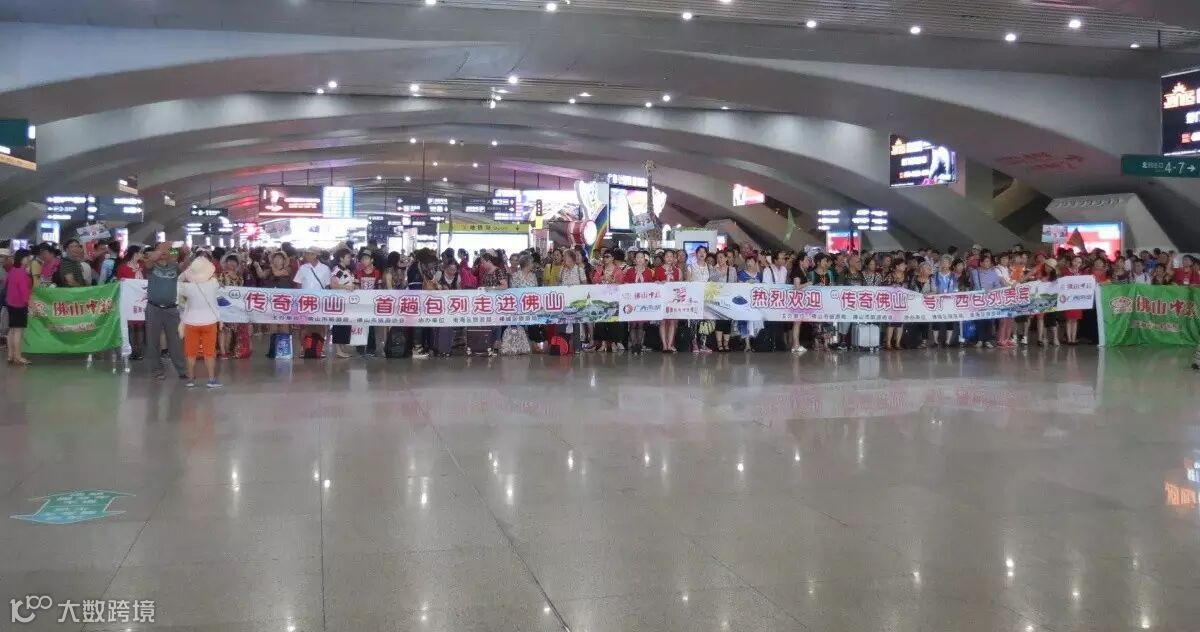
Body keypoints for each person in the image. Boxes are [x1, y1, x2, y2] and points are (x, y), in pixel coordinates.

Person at [144, 242, 189, 380]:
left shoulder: (174, 267)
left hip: (171, 309)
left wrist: (186, 252)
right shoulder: (151, 265)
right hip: (153, 308)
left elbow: (186, 265)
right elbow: (149, 262)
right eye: (160, 249)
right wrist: (160, 251)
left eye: (167, 250)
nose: (164, 252)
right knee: (153, 341)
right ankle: (157, 370)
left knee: (175, 341)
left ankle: (182, 370)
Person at [178, 255, 222, 388]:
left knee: (190, 353)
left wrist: (188, 272)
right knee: (209, 352)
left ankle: (190, 380)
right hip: (209, 322)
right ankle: (211, 380)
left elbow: (179, 280)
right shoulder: (213, 284)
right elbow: (216, 281)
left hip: (191, 323)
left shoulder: (187, 287)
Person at [294, 246, 333, 358]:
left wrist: (326, 301)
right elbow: (298, 284)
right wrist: (297, 299)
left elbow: (327, 286)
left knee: (320, 325)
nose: (306, 255)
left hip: (320, 301)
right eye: (306, 253)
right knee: (304, 326)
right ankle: (303, 348)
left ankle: (320, 348)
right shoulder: (302, 268)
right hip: (305, 301)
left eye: (309, 253)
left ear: (316, 255)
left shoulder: (325, 268)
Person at [970, 252, 1004, 348]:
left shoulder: (993, 273)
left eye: (989, 261)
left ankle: (988, 340)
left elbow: (997, 286)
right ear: (981, 263)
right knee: (980, 319)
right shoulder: (975, 272)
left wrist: (992, 291)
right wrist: (981, 292)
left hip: (990, 299)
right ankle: (980, 340)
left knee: (989, 319)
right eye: (985, 261)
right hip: (979, 298)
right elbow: (974, 285)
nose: (987, 263)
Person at [5, 249, 32, 365]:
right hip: (19, 305)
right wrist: (31, 305)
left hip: (10, 304)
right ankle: (18, 357)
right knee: (18, 332)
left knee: (12, 330)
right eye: (28, 258)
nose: (29, 260)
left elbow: (6, 286)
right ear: (23, 259)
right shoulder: (22, 273)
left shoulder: (12, 271)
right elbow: (24, 292)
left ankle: (10, 355)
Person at [354, 252, 384, 356]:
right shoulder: (358, 273)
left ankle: (371, 348)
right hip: (361, 303)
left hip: (372, 303)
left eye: (366, 258)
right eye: (362, 259)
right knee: (360, 324)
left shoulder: (377, 272)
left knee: (371, 326)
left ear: (372, 260)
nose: (364, 261)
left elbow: (379, 288)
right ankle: (360, 347)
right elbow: (356, 287)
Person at [329, 248, 357, 359]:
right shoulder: (337, 270)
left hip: (347, 302)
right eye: (348, 257)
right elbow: (333, 285)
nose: (350, 259)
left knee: (345, 325)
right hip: (339, 302)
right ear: (341, 258)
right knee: (338, 325)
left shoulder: (347, 270)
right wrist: (346, 287)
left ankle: (342, 348)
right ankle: (338, 350)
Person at [655, 249, 683, 352]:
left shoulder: (678, 270)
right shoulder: (658, 269)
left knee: (672, 321)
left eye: (671, 256)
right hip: (661, 298)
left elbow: (681, 285)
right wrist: (658, 282)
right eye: (667, 256)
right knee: (662, 321)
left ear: (674, 258)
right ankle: (664, 345)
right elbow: (654, 283)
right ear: (664, 257)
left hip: (673, 299)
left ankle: (670, 344)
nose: (669, 258)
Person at [709, 250, 738, 352]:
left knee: (728, 321)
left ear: (726, 258)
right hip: (718, 299)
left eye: (721, 257)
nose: (719, 259)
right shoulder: (714, 269)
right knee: (719, 321)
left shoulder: (732, 270)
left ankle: (726, 344)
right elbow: (711, 281)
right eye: (718, 258)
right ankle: (719, 344)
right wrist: (719, 273)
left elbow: (735, 283)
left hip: (729, 299)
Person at [688, 246, 714, 354]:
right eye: (700, 251)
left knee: (705, 321)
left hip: (706, 298)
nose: (702, 253)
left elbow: (712, 282)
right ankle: (694, 343)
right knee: (694, 321)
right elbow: (688, 281)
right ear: (696, 253)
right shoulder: (691, 266)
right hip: (694, 297)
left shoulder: (710, 267)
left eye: (704, 252)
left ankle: (703, 344)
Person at [217, 255, 243, 359]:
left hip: (234, 306)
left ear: (237, 264)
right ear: (226, 263)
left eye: (234, 262)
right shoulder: (222, 275)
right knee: (222, 328)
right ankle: (223, 351)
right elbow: (218, 289)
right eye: (229, 261)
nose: (232, 263)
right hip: (222, 305)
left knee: (230, 329)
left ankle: (227, 350)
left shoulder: (240, 278)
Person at [787, 252, 812, 354]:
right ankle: (795, 345)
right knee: (797, 322)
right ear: (801, 261)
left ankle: (796, 344)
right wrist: (808, 283)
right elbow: (796, 287)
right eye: (806, 260)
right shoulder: (797, 271)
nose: (808, 262)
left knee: (798, 322)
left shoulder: (803, 271)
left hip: (801, 300)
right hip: (797, 300)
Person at [931, 255, 958, 348]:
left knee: (949, 320)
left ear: (950, 264)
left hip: (950, 301)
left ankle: (948, 341)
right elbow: (934, 287)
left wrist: (952, 295)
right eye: (942, 262)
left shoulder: (953, 276)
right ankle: (935, 340)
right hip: (938, 301)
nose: (944, 264)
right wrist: (936, 293)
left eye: (946, 262)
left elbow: (955, 289)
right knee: (936, 320)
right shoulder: (935, 275)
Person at [883, 262, 908, 350]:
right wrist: (892, 286)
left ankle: (898, 343)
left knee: (900, 323)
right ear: (897, 266)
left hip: (903, 301)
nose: (904, 266)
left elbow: (910, 287)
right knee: (891, 323)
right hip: (892, 301)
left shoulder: (906, 276)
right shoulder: (890, 275)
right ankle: (888, 343)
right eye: (902, 265)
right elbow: (883, 286)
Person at [1061, 255, 1085, 345]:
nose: (1076, 263)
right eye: (1075, 261)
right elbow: (1063, 283)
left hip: (1077, 299)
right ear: (1072, 261)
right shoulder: (1066, 271)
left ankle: (1073, 339)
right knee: (1068, 319)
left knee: (1075, 320)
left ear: (1081, 264)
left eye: (1079, 262)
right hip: (1068, 298)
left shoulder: (1081, 273)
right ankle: (1069, 338)